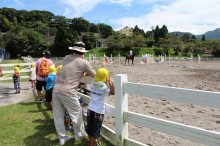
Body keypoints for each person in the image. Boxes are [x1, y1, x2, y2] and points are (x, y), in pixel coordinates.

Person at [52, 41, 96, 145]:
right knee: (76, 113)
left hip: (56, 89)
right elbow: (94, 74)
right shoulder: (84, 62)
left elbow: (73, 67)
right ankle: (79, 134)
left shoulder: (67, 57)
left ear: (73, 50)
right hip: (68, 91)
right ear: (83, 52)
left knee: (58, 115)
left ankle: (62, 137)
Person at [86, 68, 114, 146]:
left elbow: (94, 79)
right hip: (98, 110)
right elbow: (112, 92)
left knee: (90, 126)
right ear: (105, 77)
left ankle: (90, 142)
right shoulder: (104, 87)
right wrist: (110, 82)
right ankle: (92, 144)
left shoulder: (92, 84)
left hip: (90, 108)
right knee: (95, 128)